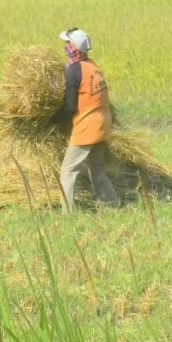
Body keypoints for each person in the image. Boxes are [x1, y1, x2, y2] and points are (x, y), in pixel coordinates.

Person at [51, 28, 120, 211]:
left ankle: (68, 214)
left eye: (68, 43)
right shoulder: (92, 65)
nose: (65, 46)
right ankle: (113, 206)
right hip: (103, 124)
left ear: (74, 46)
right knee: (97, 171)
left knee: (68, 171)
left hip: (87, 126)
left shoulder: (74, 70)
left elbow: (69, 107)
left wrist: (52, 120)